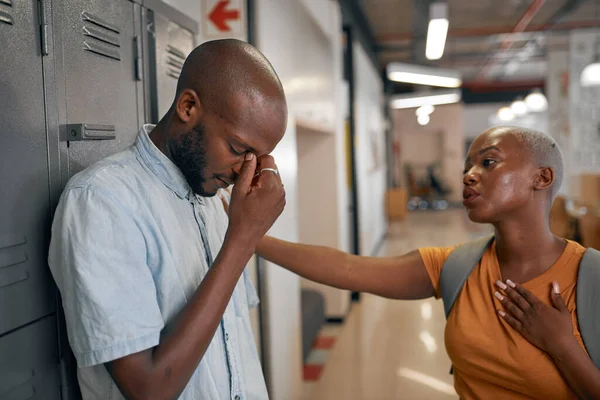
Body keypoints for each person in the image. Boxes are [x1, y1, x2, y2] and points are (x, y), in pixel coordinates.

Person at [254, 126, 600, 399]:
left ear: (541, 178)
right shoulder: (458, 266)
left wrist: (563, 345)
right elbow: (347, 268)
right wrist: (250, 237)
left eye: (488, 162)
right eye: (467, 166)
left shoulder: (590, 279)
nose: (469, 175)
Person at [48, 39, 287, 400]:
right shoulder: (101, 201)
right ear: (188, 106)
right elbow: (149, 388)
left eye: (258, 157)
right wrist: (243, 239)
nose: (244, 172)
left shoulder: (213, 198)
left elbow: (231, 349)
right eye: (238, 150)